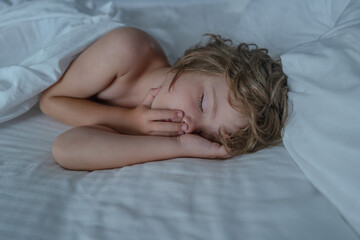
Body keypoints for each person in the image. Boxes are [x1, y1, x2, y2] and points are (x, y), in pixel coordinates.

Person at [39, 27, 288, 171]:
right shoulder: (128, 50)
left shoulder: (161, 130)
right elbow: (50, 99)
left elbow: (67, 148)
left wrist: (179, 147)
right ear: (198, 61)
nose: (188, 128)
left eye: (203, 135)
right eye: (202, 103)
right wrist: (127, 120)